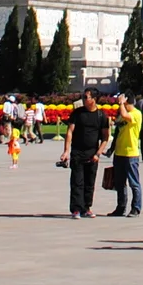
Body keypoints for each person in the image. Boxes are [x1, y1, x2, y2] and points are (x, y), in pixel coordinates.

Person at [61, 89, 109, 217]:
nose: (83, 98)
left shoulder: (101, 116)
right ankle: (76, 209)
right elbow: (70, 131)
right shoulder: (77, 113)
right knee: (77, 181)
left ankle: (86, 208)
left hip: (92, 153)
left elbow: (105, 138)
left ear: (94, 99)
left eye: (86, 97)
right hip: (77, 152)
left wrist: (98, 154)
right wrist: (66, 151)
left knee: (89, 182)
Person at [107, 93, 143, 216]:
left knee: (134, 183)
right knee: (119, 183)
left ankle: (136, 208)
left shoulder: (136, 114)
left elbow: (124, 114)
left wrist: (121, 103)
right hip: (119, 153)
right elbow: (118, 131)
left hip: (131, 154)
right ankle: (121, 207)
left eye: (123, 103)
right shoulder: (122, 114)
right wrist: (111, 149)